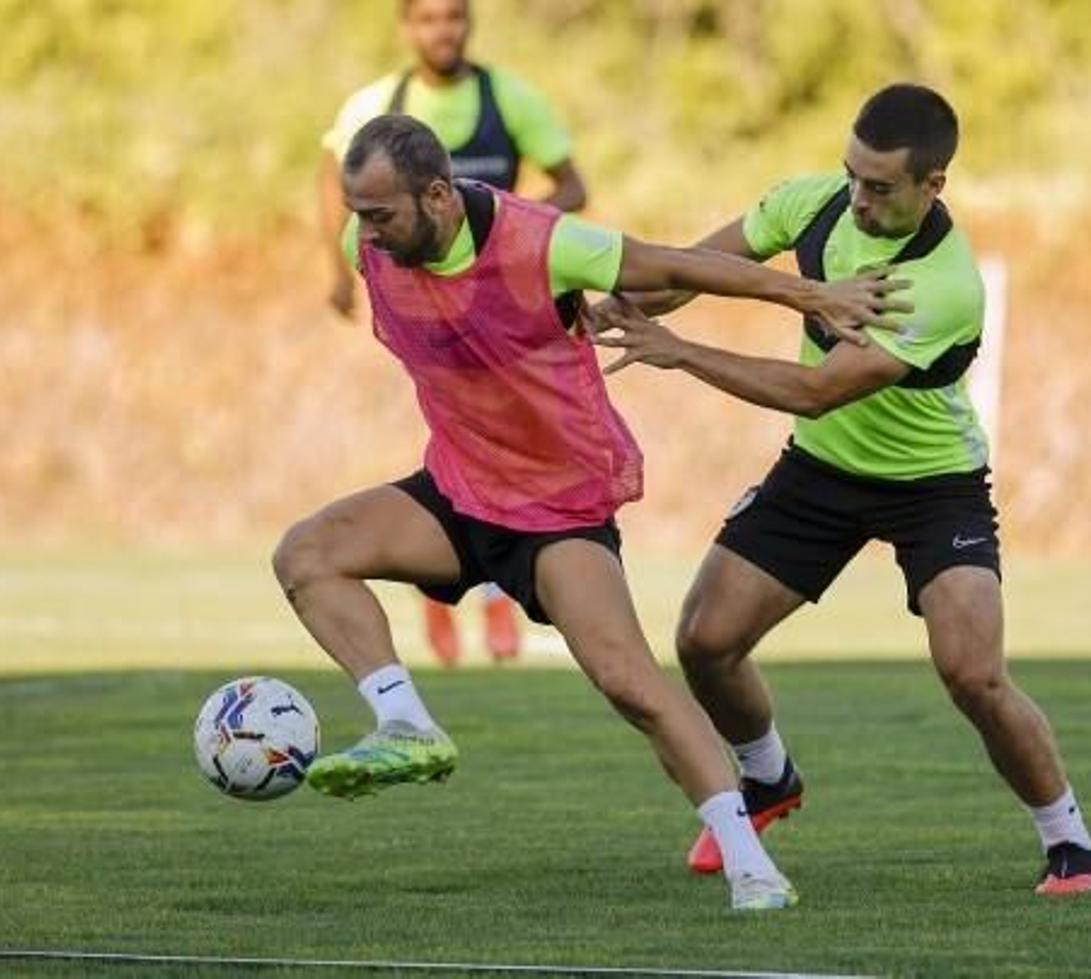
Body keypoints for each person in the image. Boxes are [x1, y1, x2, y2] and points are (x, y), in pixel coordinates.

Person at [273, 114, 909, 911]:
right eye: (356, 212)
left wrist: (811, 292)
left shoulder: (545, 243)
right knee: (307, 554)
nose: (362, 232)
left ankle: (753, 865)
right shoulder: (364, 250)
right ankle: (405, 724)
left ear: (436, 195)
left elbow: (681, 265)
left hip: (556, 508)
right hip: (458, 491)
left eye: (379, 214)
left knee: (629, 681)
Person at [589, 84, 1091, 896]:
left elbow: (813, 391)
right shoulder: (814, 205)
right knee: (705, 639)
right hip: (820, 474)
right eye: (852, 176)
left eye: (880, 187)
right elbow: (692, 270)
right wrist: (608, 304)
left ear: (933, 185)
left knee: (972, 671)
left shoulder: (941, 284)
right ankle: (769, 778)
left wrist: (679, 352)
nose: (857, 199)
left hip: (933, 486)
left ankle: (1071, 842)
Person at [318, 0, 588, 666]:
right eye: (429, 19)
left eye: (455, 17)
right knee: (449, 435)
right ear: (406, 27)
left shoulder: (510, 99)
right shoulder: (378, 103)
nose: (444, 30)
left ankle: (492, 579)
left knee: (522, 436)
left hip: (501, 309)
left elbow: (572, 186)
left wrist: (509, 234)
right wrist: (339, 265)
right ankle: (447, 582)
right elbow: (334, 177)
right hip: (422, 309)